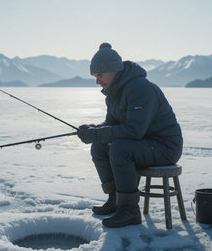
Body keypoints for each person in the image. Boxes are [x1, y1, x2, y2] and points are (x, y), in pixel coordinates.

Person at [77, 43, 183, 228]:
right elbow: (111, 125)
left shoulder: (141, 88)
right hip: (143, 144)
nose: (97, 81)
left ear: (114, 70)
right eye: (95, 76)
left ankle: (129, 210)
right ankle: (115, 199)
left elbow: (134, 131)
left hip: (165, 148)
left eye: (99, 75)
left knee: (119, 149)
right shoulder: (114, 93)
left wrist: (97, 133)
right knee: (99, 146)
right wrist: (93, 130)